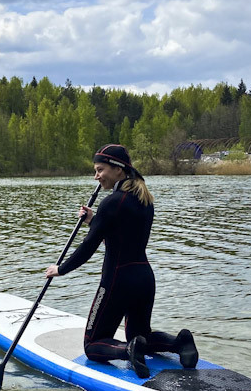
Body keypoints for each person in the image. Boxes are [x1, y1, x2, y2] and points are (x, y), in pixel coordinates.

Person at [45, 144, 198, 378]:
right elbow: (121, 238)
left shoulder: (111, 202)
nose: (96, 176)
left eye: (100, 170)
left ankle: (128, 350)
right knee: (141, 334)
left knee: (92, 345)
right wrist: (94, 220)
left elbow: (89, 246)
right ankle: (180, 343)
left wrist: (61, 269)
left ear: (118, 170)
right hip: (144, 279)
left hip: (117, 281)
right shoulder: (145, 200)